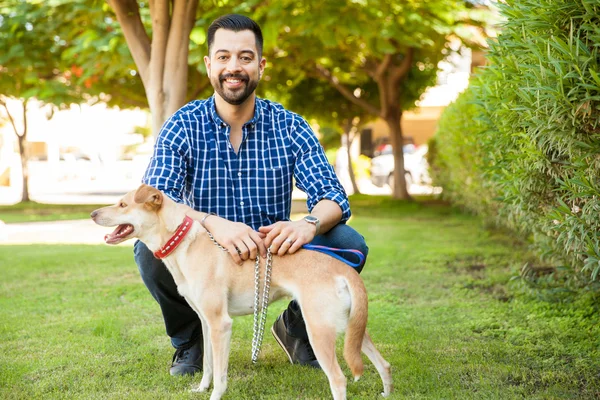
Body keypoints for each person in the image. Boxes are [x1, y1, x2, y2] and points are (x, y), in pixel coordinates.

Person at [134, 13, 368, 376]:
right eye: (224, 57)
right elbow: (159, 200)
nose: (234, 67)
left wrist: (308, 224)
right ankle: (189, 340)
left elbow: (333, 196)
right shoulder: (182, 124)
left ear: (260, 65)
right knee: (148, 250)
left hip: (274, 251)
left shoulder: (290, 125)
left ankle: (296, 326)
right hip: (205, 251)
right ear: (210, 64)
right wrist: (216, 225)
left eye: (245, 57)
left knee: (348, 241)